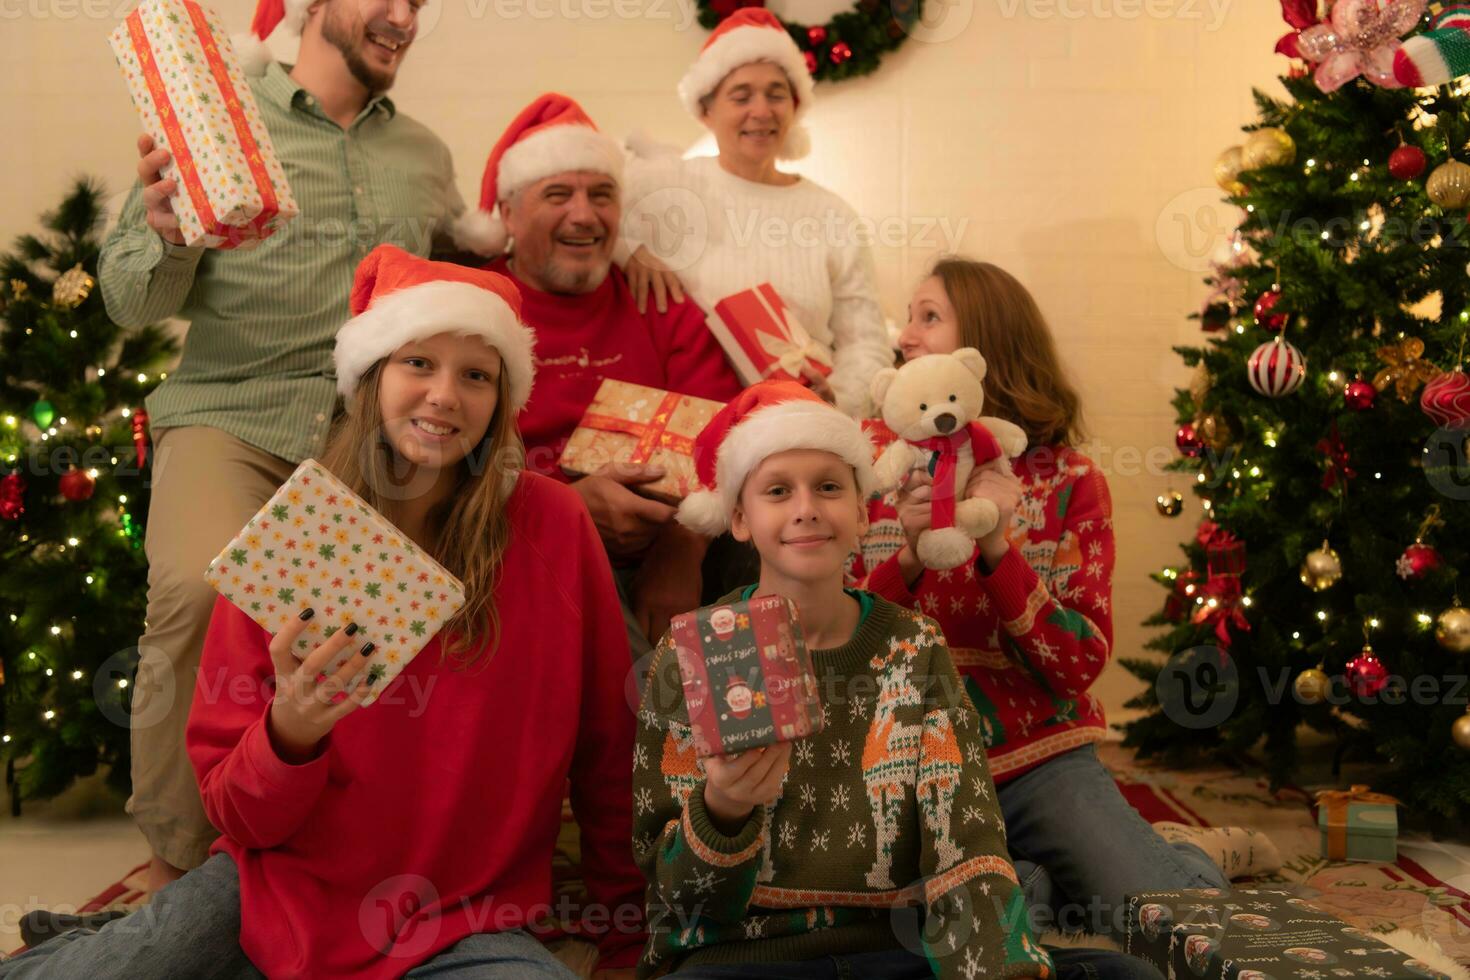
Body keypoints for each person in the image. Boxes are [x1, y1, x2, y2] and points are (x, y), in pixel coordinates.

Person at [1, 246, 642, 979]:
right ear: (370, 378)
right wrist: (291, 733)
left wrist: (626, 935)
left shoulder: (555, 525)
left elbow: (608, 748)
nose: (444, 396)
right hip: (276, 897)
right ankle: (99, 944)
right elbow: (236, 813)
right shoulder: (299, 536)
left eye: (476, 375)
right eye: (417, 364)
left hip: (464, 920)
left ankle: (105, 936)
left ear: (502, 399)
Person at [100, 0, 464, 892]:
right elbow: (128, 303)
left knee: (405, 616)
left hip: (366, 435)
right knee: (194, 585)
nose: (406, 15)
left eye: (419, 2)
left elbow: (458, 287)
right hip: (232, 412)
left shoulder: (424, 156)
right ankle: (178, 863)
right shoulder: (211, 116)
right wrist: (165, 230)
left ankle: (350, 853)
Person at [633, 381, 1069, 979]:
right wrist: (724, 810)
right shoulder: (691, 657)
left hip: (893, 950)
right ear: (738, 517)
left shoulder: (915, 647)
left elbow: (966, 840)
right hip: (739, 959)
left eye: (830, 487)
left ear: (864, 513)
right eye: (778, 490)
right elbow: (680, 902)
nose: (807, 508)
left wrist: (998, 966)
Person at [854, 258, 1232, 939]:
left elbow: (1078, 663)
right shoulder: (872, 465)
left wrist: (999, 549)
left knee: (1178, 924)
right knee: (913, 932)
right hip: (904, 761)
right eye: (907, 316)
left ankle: (1190, 854)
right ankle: (1033, 885)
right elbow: (844, 643)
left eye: (928, 316)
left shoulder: (1070, 480)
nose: (904, 335)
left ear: (984, 348)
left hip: (1039, 755)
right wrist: (908, 555)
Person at [452, 93, 745, 656]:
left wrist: (678, 554)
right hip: (523, 544)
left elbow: (728, 437)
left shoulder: (657, 299)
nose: (584, 214)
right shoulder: (468, 309)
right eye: (557, 194)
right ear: (508, 214)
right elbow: (446, 469)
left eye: (602, 195)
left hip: (677, 541)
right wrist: (570, 511)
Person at [618, 9, 894, 417]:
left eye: (776, 94)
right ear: (706, 110)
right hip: (688, 421)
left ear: (795, 106)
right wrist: (628, 250)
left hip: (799, 422)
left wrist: (837, 399)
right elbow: (589, 221)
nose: (761, 111)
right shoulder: (667, 188)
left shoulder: (830, 213)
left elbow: (866, 341)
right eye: (741, 95)